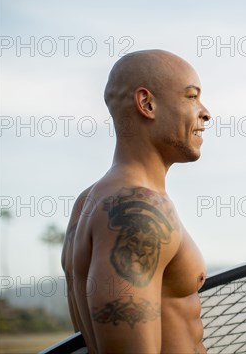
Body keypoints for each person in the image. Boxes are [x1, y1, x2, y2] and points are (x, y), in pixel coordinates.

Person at [61, 49, 211, 353]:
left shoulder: (88, 202)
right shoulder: (140, 212)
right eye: (192, 96)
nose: (206, 112)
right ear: (147, 103)